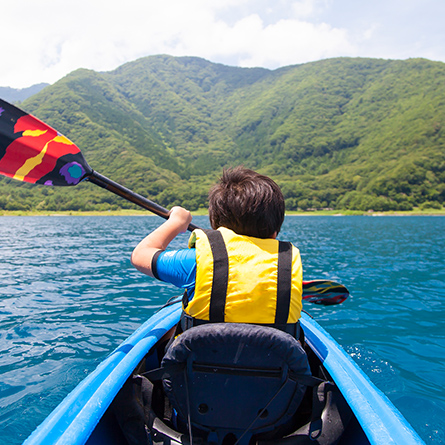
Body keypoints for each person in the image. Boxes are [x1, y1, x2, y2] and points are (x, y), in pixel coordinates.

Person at [131, 166, 303, 337]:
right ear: (275, 230)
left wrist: (175, 223)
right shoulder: (286, 268)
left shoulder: (197, 262)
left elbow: (140, 255)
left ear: (215, 223)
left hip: (199, 362)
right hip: (274, 363)